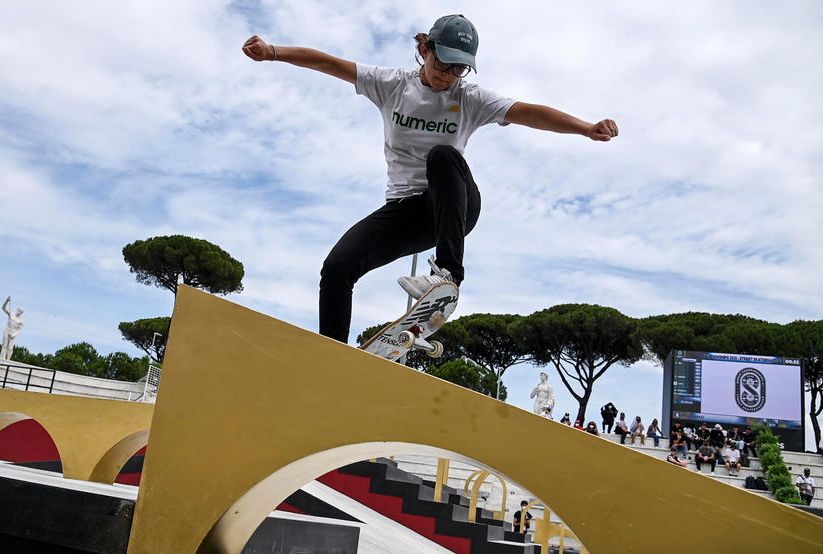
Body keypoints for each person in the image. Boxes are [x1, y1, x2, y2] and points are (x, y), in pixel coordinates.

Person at [242, 15, 618, 343]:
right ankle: (333, 359)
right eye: (443, 63)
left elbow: (528, 113)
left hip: (455, 206)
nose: (448, 75)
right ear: (426, 50)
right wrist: (274, 51)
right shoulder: (391, 84)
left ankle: (448, 276)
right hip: (407, 212)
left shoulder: (470, 98)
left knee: (443, 156)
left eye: (459, 69)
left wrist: (585, 128)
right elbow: (329, 64)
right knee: (338, 267)